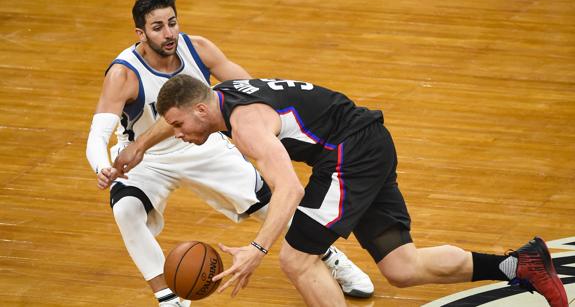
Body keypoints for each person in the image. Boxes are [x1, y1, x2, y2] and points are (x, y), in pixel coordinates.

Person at [153, 75, 569, 307]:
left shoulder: (246, 127)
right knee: (402, 268)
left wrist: (255, 251)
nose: (179, 135)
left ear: (202, 110)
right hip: (367, 143)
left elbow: (290, 190)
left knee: (296, 261)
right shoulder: (225, 90)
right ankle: (521, 265)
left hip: (350, 154)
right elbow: (204, 80)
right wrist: (135, 149)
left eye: (178, 126)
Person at [85, 0, 373, 306]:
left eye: (173, 23)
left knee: (270, 203)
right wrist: (102, 166)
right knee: (126, 210)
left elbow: (252, 89)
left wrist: (261, 127)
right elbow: (97, 135)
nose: (169, 33)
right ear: (140, 33)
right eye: (158, 27)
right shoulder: (123, 74)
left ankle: (330, 256)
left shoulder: (199, 50)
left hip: (203, 144)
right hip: (147, 160)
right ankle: (169, 298)